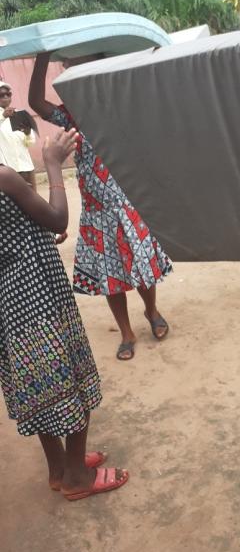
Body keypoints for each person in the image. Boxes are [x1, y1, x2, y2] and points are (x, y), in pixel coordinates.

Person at [0, 127, 129, 500]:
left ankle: (59, 468)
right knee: (68, 377)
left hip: (9, 306)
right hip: (38, 294)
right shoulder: (5, 177)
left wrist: (32, 230)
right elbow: (58, 219)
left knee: (39, 384)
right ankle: (77, 477)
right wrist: (53, 164)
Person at [29, 52, 172, 361]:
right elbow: (36, 102)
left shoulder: (122, 110)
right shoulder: (73, 117)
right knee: (110, 277)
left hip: (130, 206)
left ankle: (151, 311)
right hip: (97, 213)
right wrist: (43, 56)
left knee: (143, 268)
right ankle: (126, 333)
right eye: (71, 68)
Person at [0, 81, 37, 191]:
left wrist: (27, 133)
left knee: (33, 200)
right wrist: (3, 116)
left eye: (8, 94)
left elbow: (30, 143)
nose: (6, 97)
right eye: (1, 95)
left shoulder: (20, 114)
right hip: (8, 171)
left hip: (27, 167)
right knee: (13, 201)